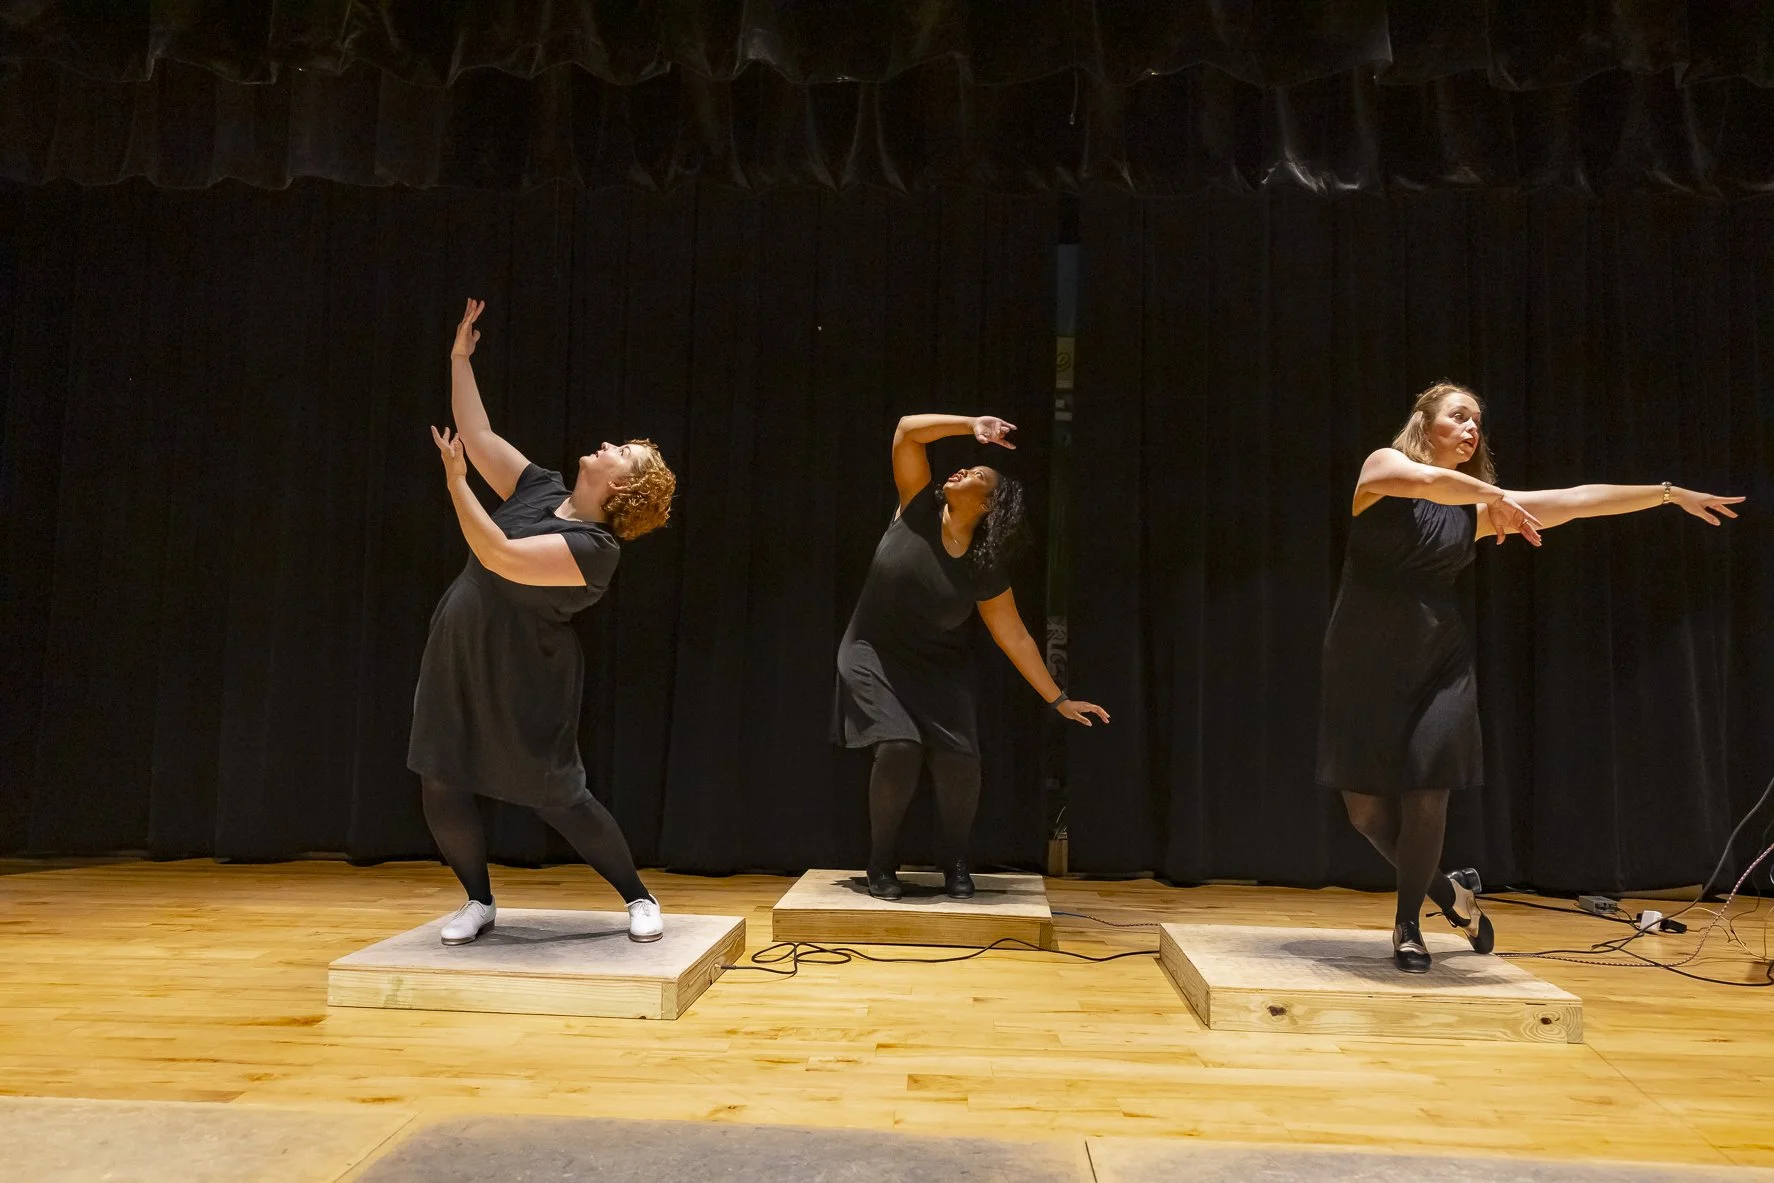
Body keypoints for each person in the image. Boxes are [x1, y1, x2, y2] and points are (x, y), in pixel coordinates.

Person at [1318, 381, 1743, 972]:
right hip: (1360, 663)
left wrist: (1667, 494)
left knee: (1428, 790)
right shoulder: (1383, 468)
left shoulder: (1476, 510)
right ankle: (1452, 895)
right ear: (1424, 423)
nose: (1471, 428)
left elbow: (1579, 500)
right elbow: (1427, 483)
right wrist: (1498, 497)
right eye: (1458, 416)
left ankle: (1408, 925)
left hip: (1439, 663)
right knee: (1366, 816)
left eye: (1477, 421)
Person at [410, 298, 677, 946]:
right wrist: (460, 358)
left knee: (557, 795)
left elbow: (499, 554)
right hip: (459, 647)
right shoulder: (541, 487)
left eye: (621, 452)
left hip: (524, 672)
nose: (607, 444)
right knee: (441, 779)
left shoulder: (596, 550)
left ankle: (638, 896)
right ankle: (478, 901)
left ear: (623, 488)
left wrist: (456, 486)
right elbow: (478, 437)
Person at [835, 412, 1111, 901]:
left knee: (961, 760)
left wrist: (1059, 699)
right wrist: (971, 425)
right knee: (899, 748)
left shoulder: (983, 564)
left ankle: (956, 859)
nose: (961, 471)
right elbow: (906, 430)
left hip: (938, 668)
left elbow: (1015, 637)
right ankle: (881, 862)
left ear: (988, 504)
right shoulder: (916, 506)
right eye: (966, 467)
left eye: (977, 475)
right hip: (871, 653)